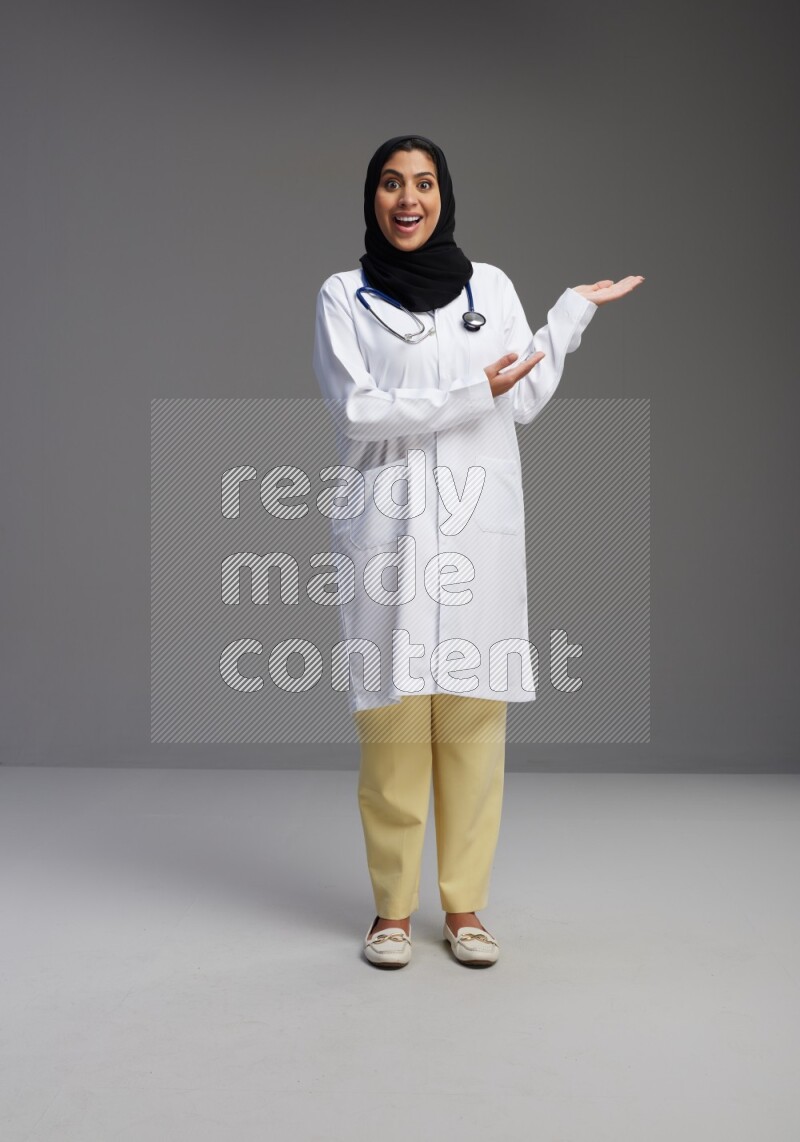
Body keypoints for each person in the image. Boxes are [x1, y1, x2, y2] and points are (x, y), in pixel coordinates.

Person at [312, 134, 644, 968]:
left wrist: (569, 313)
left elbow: (522, 394)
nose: (407, 198)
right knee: (391, 728)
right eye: (391, 183)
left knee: (470, 725)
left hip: (472, 533)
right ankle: (391, 911)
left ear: (444, 194)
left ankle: (463, 909)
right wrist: (469, 392)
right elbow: (360, 411)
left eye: (423, 182)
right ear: (373, 198)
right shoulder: (342, 296)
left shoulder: (487, 287)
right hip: (387, 530)